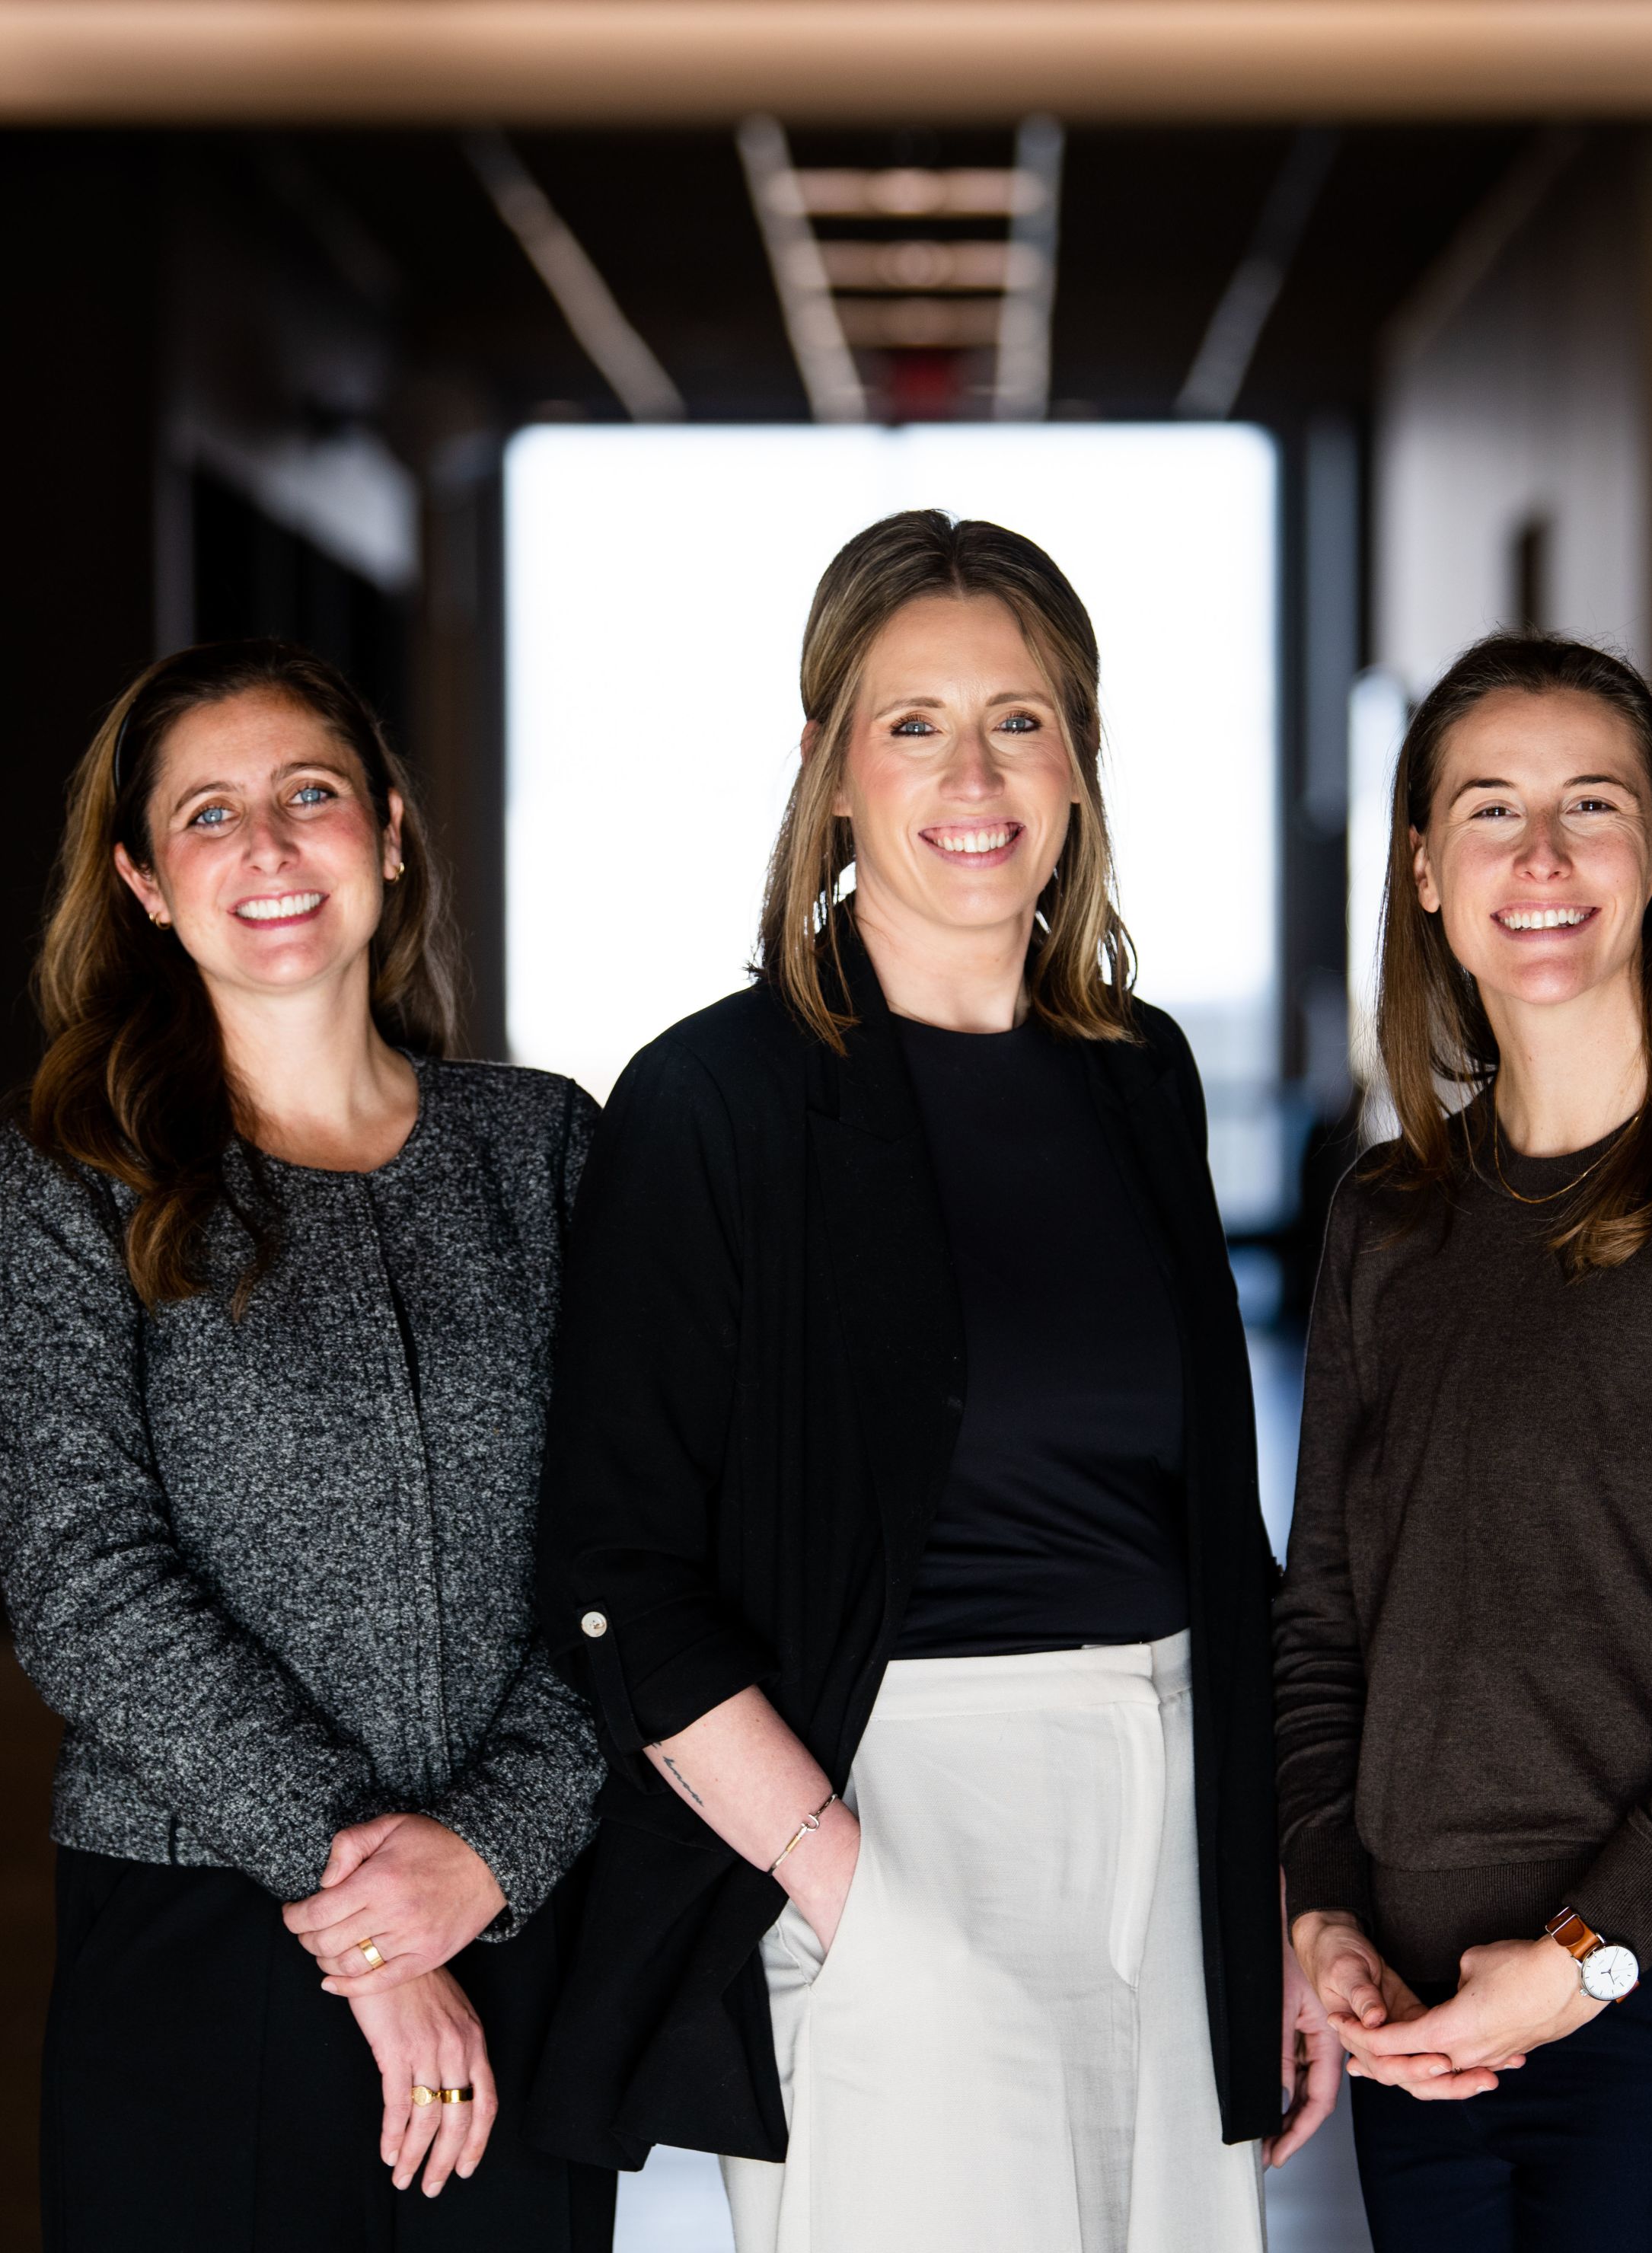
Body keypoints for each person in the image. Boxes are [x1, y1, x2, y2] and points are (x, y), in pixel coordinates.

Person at [530, 510, 1338, 2253]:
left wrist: (1257, 1884)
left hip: (1177, 1801)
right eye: (910, 722)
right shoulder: (715, 1101)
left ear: (1080, 761)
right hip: (891, 1807)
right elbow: (613, 1569)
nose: (971, 771)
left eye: (1019, 716)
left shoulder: (1141, 1076)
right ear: (827, 769)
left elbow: (1212, 1524)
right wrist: (844, 1890)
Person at [0, 640, 611, 2251]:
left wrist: (494, 1847)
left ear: (387, 834)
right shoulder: (73, 1177)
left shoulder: (540, 1150)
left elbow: (636, 1548)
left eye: (308, 795)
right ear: (142, 883)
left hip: (511, 1912)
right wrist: (369, 1922)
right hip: (196, 1935)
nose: (266, 845)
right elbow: (80, 1582)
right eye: (206, 815)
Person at [1274, 633, 1652, 2252]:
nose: (1539, 857)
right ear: (1420, 868)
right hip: (1423, 2023)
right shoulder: (1384, 1219)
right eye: (1487, 809)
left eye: (1590, 806)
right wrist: (1323, 1900)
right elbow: (1322, 1619)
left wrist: (1583, 1955)